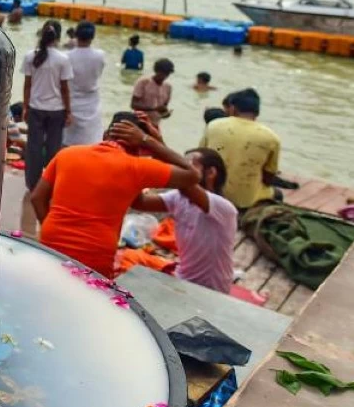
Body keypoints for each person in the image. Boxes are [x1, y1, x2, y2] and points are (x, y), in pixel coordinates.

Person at [29, 112, 201, 278]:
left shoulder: (67, 154)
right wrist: (151, 141)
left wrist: (53, 230)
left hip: (52, 241)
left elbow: (37, 198)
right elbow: (193, 175)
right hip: (95, 254)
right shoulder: (137, 167)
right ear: (140, 148)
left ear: (105, 135)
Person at [132, 147, 237, 293]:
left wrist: (147, 142)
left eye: (189, 165)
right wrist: (132, 159)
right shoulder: (179, 197)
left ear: (211, 173)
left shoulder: (223, 207)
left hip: (211, 291)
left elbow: (182, 182)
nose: (182, 170)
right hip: (182, 278)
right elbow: (139, 202)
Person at [200, 88, 281, 210]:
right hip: (244, 201)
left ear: (232, 108)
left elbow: (200, 156)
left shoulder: (214, 126)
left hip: (212, 192)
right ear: (257, 112)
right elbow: (268, 178)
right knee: (278, 194)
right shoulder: (271, 137)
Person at [21, 19, 73, 190]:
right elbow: (64, 89)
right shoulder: (62, 59)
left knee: (33, 147)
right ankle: (50, 183)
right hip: (56, 110)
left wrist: (25, 107)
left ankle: (32, 183)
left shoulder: (30, 56)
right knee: (53, 147)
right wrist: (69, 111)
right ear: (58, 37)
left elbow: (27, 85)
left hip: (36, 108)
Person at [63, 21, 104, 146]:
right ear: (92, 37)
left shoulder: (66, 56)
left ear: (76, 35)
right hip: (92, 102)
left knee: (68, 141)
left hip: (71, 101)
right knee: (91, 140)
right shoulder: (100, 55)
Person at [131, 58, 174, 125]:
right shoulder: (143, 82)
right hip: (139, 122)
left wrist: (166, 114)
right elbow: (133, 104)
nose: (164, 76)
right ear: (156, 71)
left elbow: (163, 109)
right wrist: (153, 109)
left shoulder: (168, 87)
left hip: (155, 124)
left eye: (167, 74)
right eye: (162, 73)